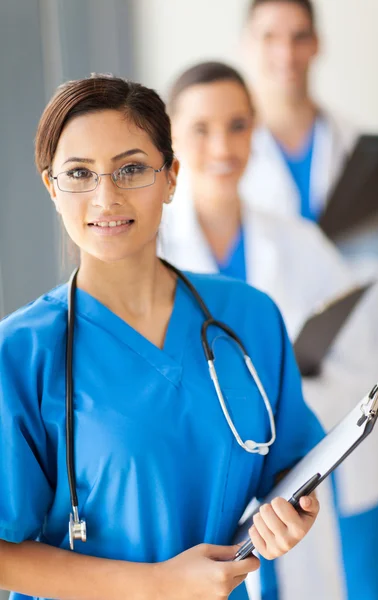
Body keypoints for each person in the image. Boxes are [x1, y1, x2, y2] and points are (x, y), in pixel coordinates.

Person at [0, 74, 322, 600]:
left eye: (131, 169)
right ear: (52, 188)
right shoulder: (22, 352)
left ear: (171, 176)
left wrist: (296, 513)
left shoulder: (249, 317)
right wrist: (156, 585)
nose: (106, 197)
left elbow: (292, 468)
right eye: (79, 173)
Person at [161, 61, 378, 600]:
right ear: (169, 137)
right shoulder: (153, 251)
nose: (222, 147)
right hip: (200, 495)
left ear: (255, 128)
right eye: (201, 129)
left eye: (237, 126)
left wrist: (283, 395)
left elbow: (361, 362)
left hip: (287, 487)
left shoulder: (301, 245)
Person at [239, 0, 358, 221]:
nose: (287, 54)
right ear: (247, 45)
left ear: (317, 44)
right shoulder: (224, 147)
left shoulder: (351, 140)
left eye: (299, 37)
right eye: (270, 37)